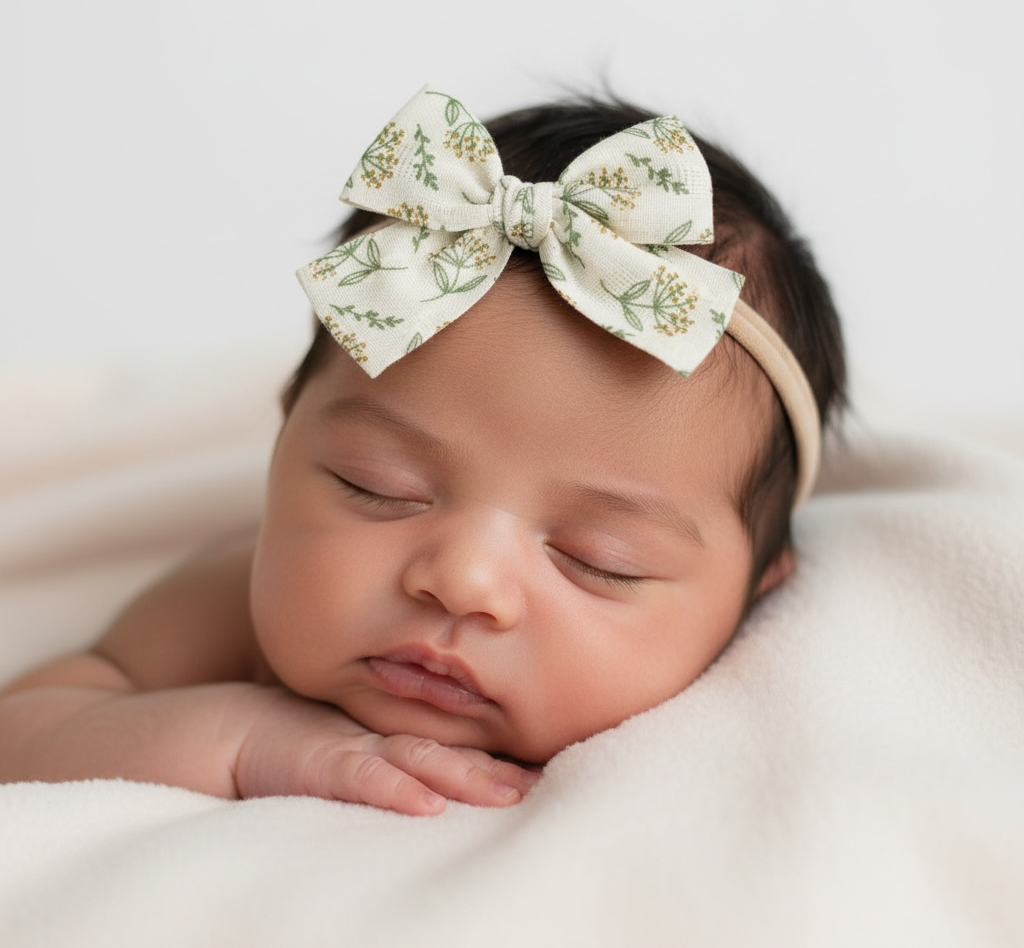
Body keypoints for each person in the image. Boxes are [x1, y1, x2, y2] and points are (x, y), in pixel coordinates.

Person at [0, 86, 845, 815]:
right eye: (376, 486)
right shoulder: (230, 601)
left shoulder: (738, 756)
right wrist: (242, 736)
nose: (463, 580)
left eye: (600, 560)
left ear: (756, 586)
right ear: (286, 433)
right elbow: (26, 733)